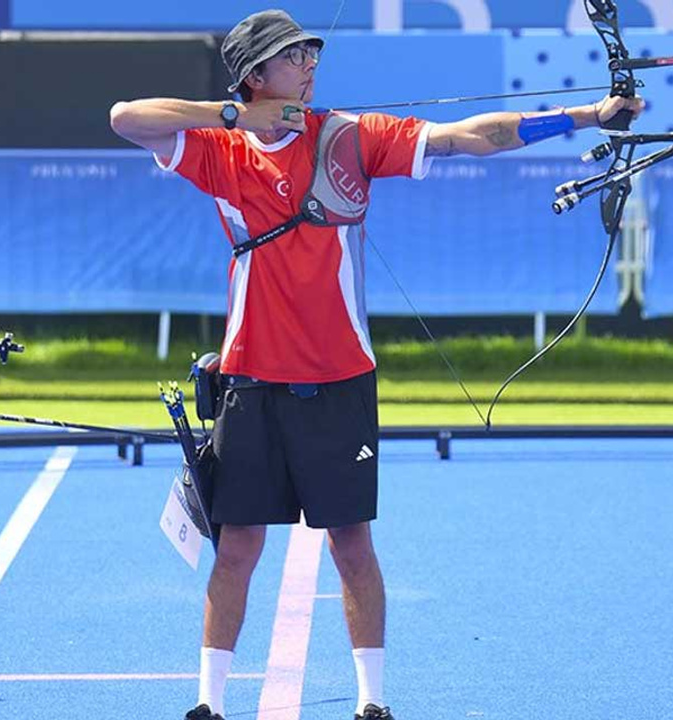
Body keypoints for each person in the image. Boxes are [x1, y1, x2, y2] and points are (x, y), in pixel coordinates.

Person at [110, 10, 643, 720]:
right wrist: (239, 113)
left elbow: (472, 137)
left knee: (352, 545)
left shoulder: (349, 138)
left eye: (308, 52)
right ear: (255, 75)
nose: (308, 63)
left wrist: (585, 115)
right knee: (236, 547)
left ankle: (372, 704)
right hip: (250, 378)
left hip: (340, 379)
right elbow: (124, 117)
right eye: (290, 55)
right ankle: (207, 707)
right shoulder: (220, 150)